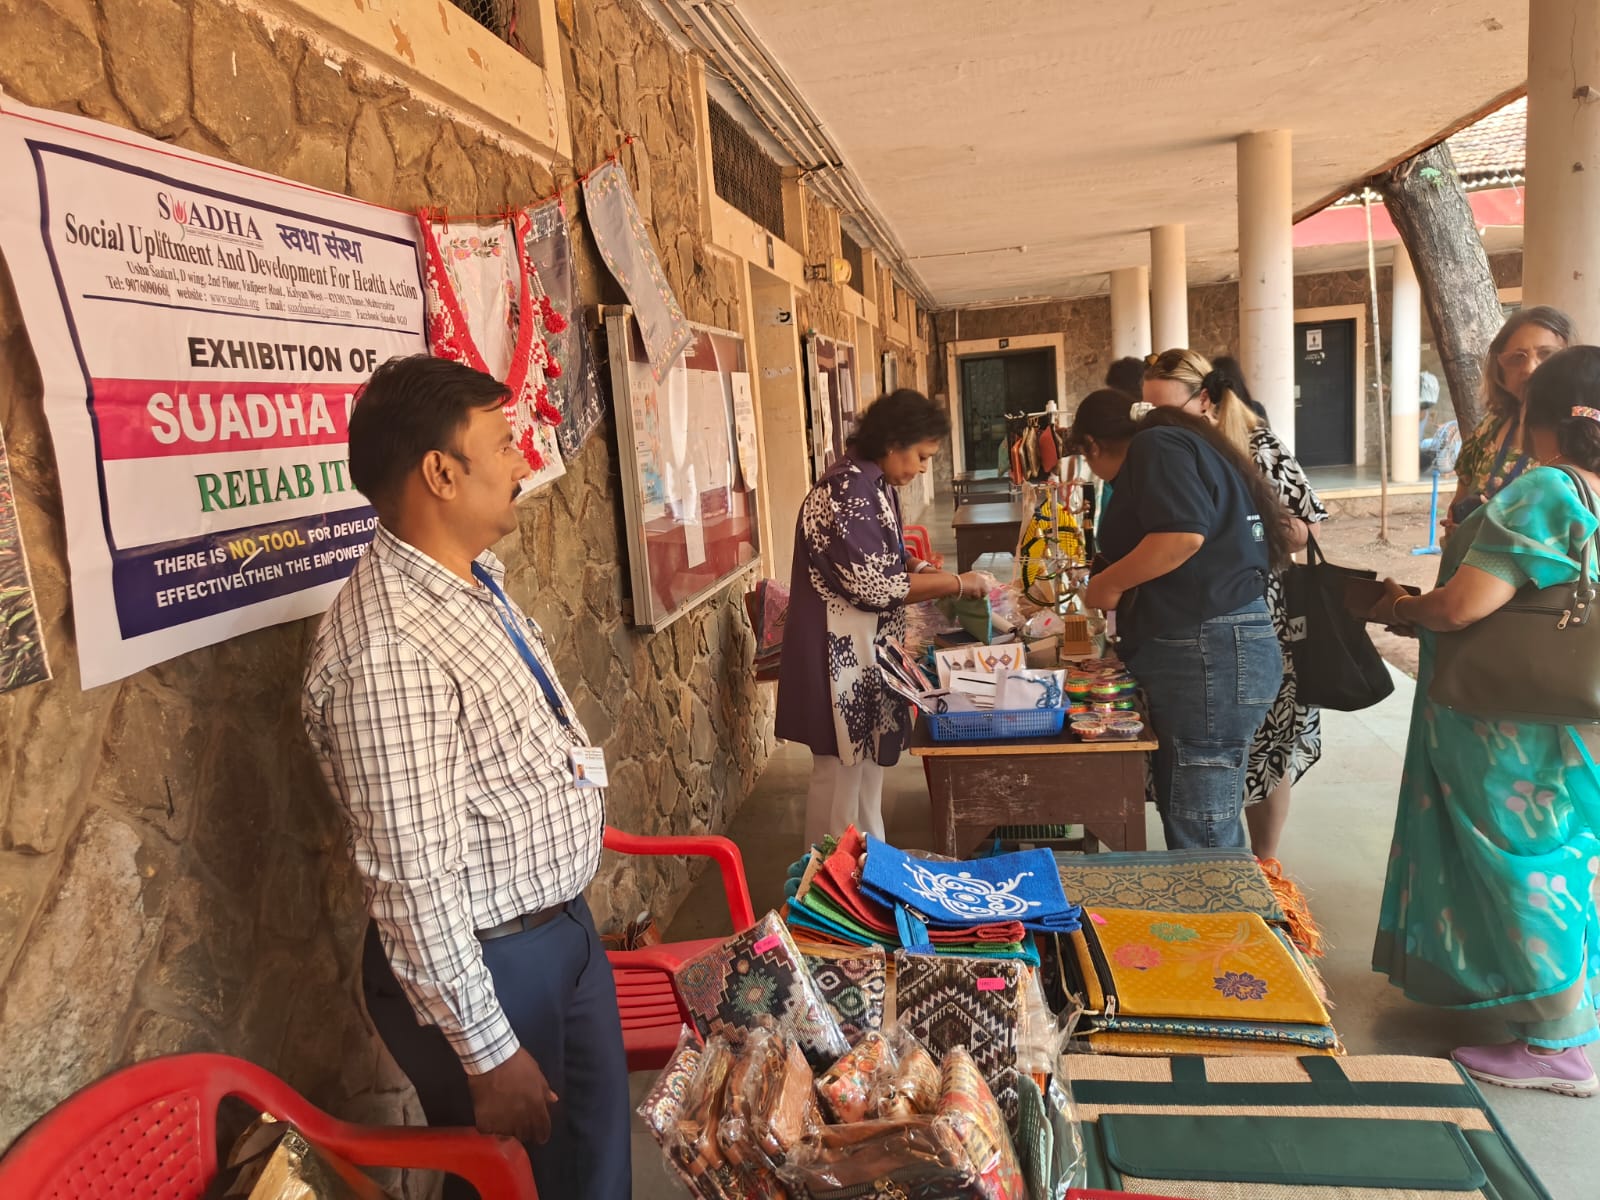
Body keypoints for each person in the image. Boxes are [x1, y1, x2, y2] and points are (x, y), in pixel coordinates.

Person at [302, 355, 629, 1198]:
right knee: (523, 1183)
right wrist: (485, 1051)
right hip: (492, 965)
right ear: (442, 473)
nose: (524, 460)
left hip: (557, 934)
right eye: (503, 443)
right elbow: (412, 876)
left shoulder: (468, 582)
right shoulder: (389, 650)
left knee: (591, 1171)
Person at [1369, 345, 1600, 1098]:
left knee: (1517, 860)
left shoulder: (1548, 490)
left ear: (1540, 414)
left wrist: (1398, 607)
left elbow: (1462, 606)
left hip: (1510, 718)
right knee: (1568, 851)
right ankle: (1569, 1009)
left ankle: (1559, 1044)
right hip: (1577, 712)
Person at [1070, 388, 1290, 850]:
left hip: (1211, 654)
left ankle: (1226, 919)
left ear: (1091, 445)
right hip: (1217, 649)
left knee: (1203, 826)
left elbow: (1181, 536)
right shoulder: (1184, 443)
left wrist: (1108, 585)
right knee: (1194, 810)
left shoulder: (1157, 446)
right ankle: (1216, 916)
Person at [777, 389, 993, 847]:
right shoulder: (845, 491)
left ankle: (870, 868)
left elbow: (887, 557)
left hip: (862, 652)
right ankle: (825, 888)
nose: (921, 468)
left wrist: (919, 567)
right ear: (893, 441)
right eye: (920, 456)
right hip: (837, 655)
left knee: (866, 771)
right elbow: (876, 586)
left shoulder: (874, 484)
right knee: (839, 774)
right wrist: (956, 582)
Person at [1144, 348, 1328, 860]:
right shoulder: (1169, 449)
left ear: (1204, 399)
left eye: (1165, 408)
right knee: (1212, 765)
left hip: (1261, 617)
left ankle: (1266, 871)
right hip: (1198, 619)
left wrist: (1244, 527)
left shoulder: (1254, 444)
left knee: (1266, 748)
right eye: (1147, 411)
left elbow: (1306, 526)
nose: (1154, 423)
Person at [1446, 306, 1576, 530]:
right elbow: (1459, 502)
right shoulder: (1489, 428)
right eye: (1517, 358)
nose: (1530, 368)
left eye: (1546, 355)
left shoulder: (1585, 435)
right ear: (1500, 369)